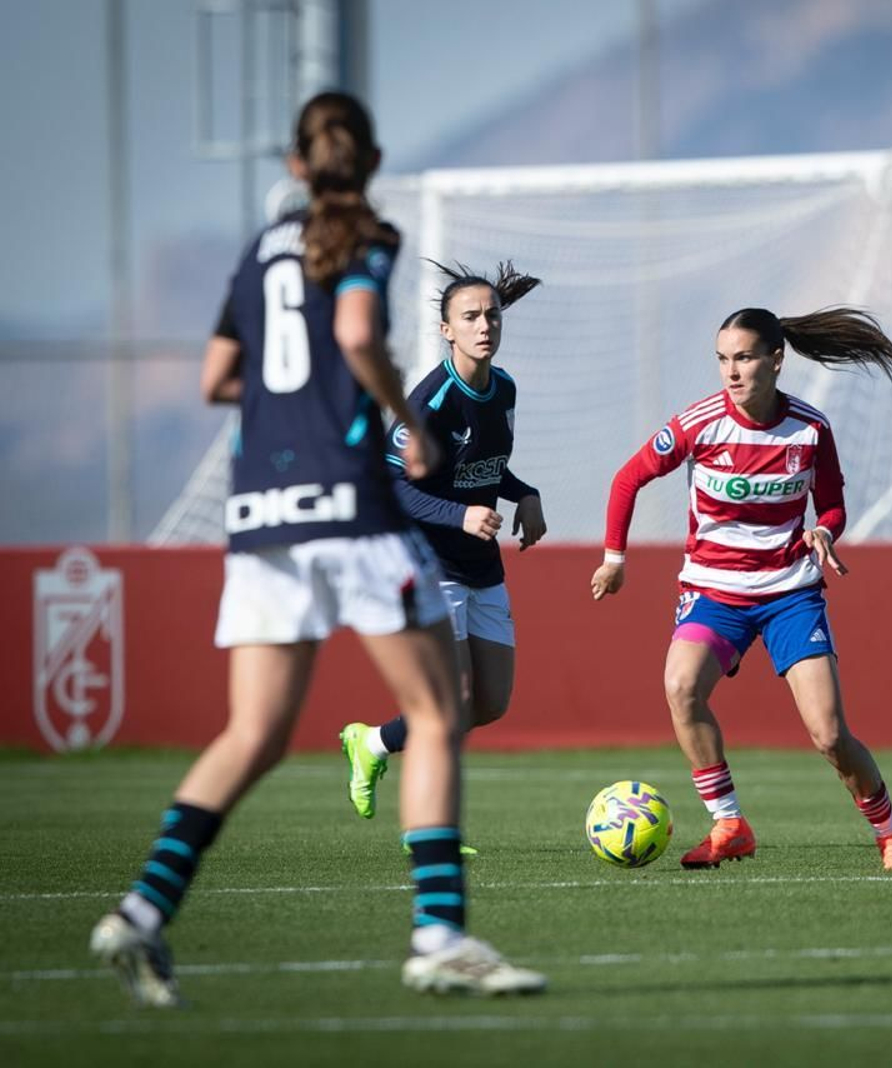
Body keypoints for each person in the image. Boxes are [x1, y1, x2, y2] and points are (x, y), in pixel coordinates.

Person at [88, 92, 545, 1006]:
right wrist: (405, 418)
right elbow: (351, 335)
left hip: (261, 513)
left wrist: (283, 406)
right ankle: (439, 933)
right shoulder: (365, 238)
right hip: (353, 511)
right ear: (367, 162)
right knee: (436, 710)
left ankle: (140, 911)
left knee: (252, 733)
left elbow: (219, 376)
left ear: (294, 168)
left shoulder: (258, 255)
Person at [589, 307, 892, 870]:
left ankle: (889, 832)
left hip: (790, 592)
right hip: (714, 591)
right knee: (681, 686)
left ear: (775, 360)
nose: (731, 372)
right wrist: (614, 559)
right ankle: (729, 823)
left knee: (829, 736)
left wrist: (824, 529)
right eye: (722, 359)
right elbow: (629, 478)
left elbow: (834, 503)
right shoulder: (699, 423)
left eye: (743, 358)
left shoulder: (811, 429)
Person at [339, 260, 546, 822]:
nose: (485, 326)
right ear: (446, 329)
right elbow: (390, 486)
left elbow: (480, 468)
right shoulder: (429, 402)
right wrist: (458, 517)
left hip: (480, 564)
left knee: (491, 703)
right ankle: (437, 835)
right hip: (428, 562)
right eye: (471, 317)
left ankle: (373, 743)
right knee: (449, 705)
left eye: (492, 315)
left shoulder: (503, 389)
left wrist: (524, 493)